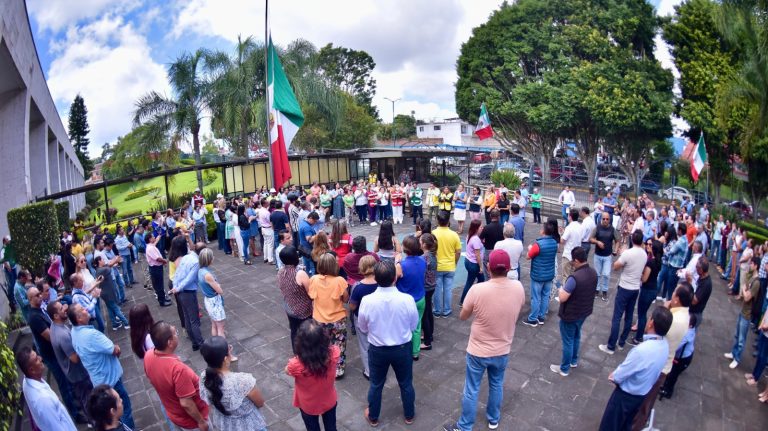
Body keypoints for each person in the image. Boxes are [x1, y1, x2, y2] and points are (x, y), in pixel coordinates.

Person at [442, 249, 525, 431]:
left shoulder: (477, 290)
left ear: (488, 267)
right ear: (509, 267)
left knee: (471, 388)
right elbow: (519, 306)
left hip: (478, 350)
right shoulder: (518, 287)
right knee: (496, 384)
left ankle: (465, 426)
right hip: (503, 349)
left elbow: (463, 316)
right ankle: (493, 418)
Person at [358, 261, 419, 427]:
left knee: (376, 384)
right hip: (402, 348)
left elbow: (362, 327)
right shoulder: (407, 299)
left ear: (376, 278)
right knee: (406, 383)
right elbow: (414, 326)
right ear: (394, 278)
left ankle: (373, 416)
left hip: (378, 350)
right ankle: (409, 415)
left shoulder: (367, 300)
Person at [598, 307, 672, 431]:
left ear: (651, 322)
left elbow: (622, 372)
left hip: (625, 396)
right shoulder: (665, 345)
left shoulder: (642, 350)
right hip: (641, 394)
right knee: (626, 425)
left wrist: (614, 376)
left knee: (610, 426)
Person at [631, 283, 692, 431]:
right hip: (664, 363)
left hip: (658, 366)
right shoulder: (684, 314)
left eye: (674, 292)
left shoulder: (675, 319)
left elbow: (651, 331)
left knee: (643, 405)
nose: (671, 295)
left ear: (677, 299)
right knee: (646, 402)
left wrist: (664, 309)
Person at [69, 303, 135, 429]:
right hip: (111, 380)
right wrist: (117, 348)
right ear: (79, 319)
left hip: (98, 379)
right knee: (123, 409)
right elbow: (114, 350)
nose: (86, 309)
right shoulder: (91, 335)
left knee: (111, 415)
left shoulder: (74, 331)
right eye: (82, 309)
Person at [25, 285, 82, 421]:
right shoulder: (34, 317)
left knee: (67, 381)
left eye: (40, 293)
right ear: (30, 299)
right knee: (63, 384)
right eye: (37, 295)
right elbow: (50, 336)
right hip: (51, 355)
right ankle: (75, 414)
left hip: (56, 352)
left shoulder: (41, 309)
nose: (40, 296)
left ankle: (76, 404)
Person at [144, 321, 210, 431]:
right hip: (191, 422)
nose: (177, 335)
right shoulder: (178, 370)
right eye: (175, 333)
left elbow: (151, 379)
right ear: (169, 342)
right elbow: (186, 403)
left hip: (173, 414)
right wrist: (201, 421)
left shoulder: (149, 355)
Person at [200, 336, 266, 431]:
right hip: (249, 425)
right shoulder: (244, 380)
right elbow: (260, 403)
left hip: (225, 423)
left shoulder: (204, 376)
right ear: (225, 358)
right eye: (229, 348)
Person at [286, 320, 340, 431]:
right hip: (329, 399)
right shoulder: (334, 353)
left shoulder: (295, 365)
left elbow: (287, 370)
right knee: (331, 427)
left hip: (308, 404)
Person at [551, 247, 596, 377]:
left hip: (571, 314)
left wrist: (560, 288)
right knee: (576, 336)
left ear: (576, 260)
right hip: (584, 311)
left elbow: (563, 297)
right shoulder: (592, 272)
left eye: (572, 261)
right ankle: (573, 361)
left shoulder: (574, 278)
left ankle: (564, 368)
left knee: (568, 340)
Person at [599, 231, 647, 354]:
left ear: (632, 240)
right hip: (635, 288)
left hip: (625, 287)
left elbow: (616, 266)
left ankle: (610, 346)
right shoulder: (644, 254)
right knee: (629, 316)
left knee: (617, 317)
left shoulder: (628, 253)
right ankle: (621, 342)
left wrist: (621, 253)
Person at [49, 300, 94, 423]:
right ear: (56, 316)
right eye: (61, 308)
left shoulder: (56, 326)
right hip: (78, 374)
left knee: (84, 397)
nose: (65, 308)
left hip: (74, 373)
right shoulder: (62, 335)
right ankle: (94, 422)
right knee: (87, 399)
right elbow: (74, 358)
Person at [16, 345, 78, 431]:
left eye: (37, 356)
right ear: (32, 370)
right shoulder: (43, 400)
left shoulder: (27, 380)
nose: (41, 358)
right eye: (36, 359)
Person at [309, 253, 349, 378]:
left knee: (322, 345)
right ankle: (338, 370)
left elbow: (311, 296)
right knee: (339, 345)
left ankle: (324, 366)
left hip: (319, 319)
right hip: (337, 319)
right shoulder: (339, 281)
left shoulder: (313, 279)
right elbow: (345, 299)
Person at [725, 257, 762, 369]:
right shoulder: (751, 278)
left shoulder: (756, 282)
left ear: (756, 266)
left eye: (751, 264)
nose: (750, 265)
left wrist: (745, 290)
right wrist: (745, 289)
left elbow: (746, 297)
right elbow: (744, 291)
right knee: (737, 334)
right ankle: (733, 352)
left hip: (747, 314)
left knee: (741, 338)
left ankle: (737, 358)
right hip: (743, 311)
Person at [396, 236, 428, 359]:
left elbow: (393, 280)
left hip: (405, 300)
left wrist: (396, 262)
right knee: (417, 326)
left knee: (403, 325)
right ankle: (415, 352)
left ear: (405, 249)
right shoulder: (422, 261)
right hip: (420, 298)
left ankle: (404, 350)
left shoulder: (401, 265)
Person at [523, 219, 559, 327]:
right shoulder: (554, 243)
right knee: (545, 296)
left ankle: (533, 318)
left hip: (538, 275)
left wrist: (530, 249)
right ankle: (541, 317)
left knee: (535, 297)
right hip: (549, 274)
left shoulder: (538, 244)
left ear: (544, 231)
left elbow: (528, 257)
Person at [349, 255, 379, 379]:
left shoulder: (358, 287)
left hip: (362, 319)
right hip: (377, 317)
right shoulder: (381, 283)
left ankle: (369, 371)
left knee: (364, 345)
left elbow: (352, 306)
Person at [171, 238, 205, 350]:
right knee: (194, 320)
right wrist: (178, 288)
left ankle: (195, 343)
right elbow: (188, 279)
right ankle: (200, 343)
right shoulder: (195, 262)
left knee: (187, 318)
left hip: (180, 292)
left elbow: (178, 275)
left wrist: (176, 287)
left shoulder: (186, 257)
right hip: (188, 293)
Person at [278, 246, 312, 353]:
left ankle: (296, 353)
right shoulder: (300, 273)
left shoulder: (280, 272)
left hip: (289, 308)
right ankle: (308, 354)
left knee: (294, 331)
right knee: (307, 332)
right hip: (303, 310)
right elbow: (310, 292)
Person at [629, 240, 663, 345]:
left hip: (647, 289)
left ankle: (638, 337)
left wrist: (638, 274)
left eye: (650, 245)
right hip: (653, 289)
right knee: (643, 313)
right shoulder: (658, 261)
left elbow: (644, 279)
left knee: (642, 314)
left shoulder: (651, 262)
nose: (648, 246)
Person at [199, 249, 233, 348]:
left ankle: (216, 347)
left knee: (214, 324)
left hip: (208, 300)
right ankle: (224, 351)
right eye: (212, 256)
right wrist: (218, 285)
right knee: (220, 327)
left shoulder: (200, 271)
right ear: (208, 259)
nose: (213, 258)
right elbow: (220, 290)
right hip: (215, 302)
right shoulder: (208, 275)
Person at [659, 314, 697, 399]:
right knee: (671, 373)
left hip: (683, 359)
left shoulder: (687, 335)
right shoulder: (691, 329)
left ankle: (667, 391)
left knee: (673, 375)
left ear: (690, 325)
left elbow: (676, 346)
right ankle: (665, 386)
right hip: (683, 356)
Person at [432, 211, 462, 317]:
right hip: (450, 266)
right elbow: (458, 252)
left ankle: (437, 310)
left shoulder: (433, 233)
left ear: (437, 220)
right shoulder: (454, 235)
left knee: (437, 290)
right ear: (449, 221)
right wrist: (455, 263)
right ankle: (446, 310)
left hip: (437, 266)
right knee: (448, 289)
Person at [460, 220, 485, 306]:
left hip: (468, 261)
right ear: (476, 228)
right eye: (481, 227)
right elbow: (477, 255)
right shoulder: (476, 240)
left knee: (480, 279)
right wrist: (481, 267)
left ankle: (469, 298)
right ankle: (464, 300)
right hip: (474, 264)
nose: (482, 228)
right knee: (470, 282)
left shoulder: (470, 236)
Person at [145, 233, 172, 307]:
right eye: (153, 237)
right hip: (155, 268)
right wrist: (164, 261)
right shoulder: (150, 248)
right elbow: (157, 258)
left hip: (157, 267)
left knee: (160, 284)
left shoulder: (151, 246)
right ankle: (162, 301)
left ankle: (163, 298)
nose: (154, 238)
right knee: (158, 285)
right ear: (150, 239)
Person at [479, 209, 504, 280]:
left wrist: (484, 243)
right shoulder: (502, 227)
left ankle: (488, 280)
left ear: (490, 216)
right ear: (498, 217)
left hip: (488, 249)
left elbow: (481, 238)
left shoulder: (486, 227)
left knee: (486, 266)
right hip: (499, 250)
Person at [560, 209, 583, 287]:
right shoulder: (580, 226)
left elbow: (562, 240)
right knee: (574, 276)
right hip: (577, 255)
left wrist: (561, 234)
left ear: (570, 216)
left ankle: (565, 294)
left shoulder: (569, 227)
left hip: (568, 254)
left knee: (566, 276)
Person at [690, 257, 712, 326]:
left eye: (697, 267)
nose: (695, 269)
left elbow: (694, 301)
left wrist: (690, 283)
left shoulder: (706, 284)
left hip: (695, 314)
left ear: (701, 270)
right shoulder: (701, 277)